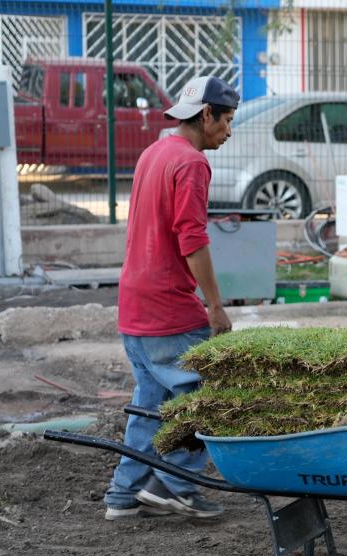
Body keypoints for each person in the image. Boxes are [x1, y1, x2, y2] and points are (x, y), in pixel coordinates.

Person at [103, 76, 239, 520]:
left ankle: (125, 494)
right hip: (169, 307)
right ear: (206, 116)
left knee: (150, 403)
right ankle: (176, 485)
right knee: (198, 393)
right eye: (227, 121)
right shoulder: (193, 164)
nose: (229, 131)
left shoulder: (153, 152)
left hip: (133, 305)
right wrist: (215, 305)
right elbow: (192, 238)